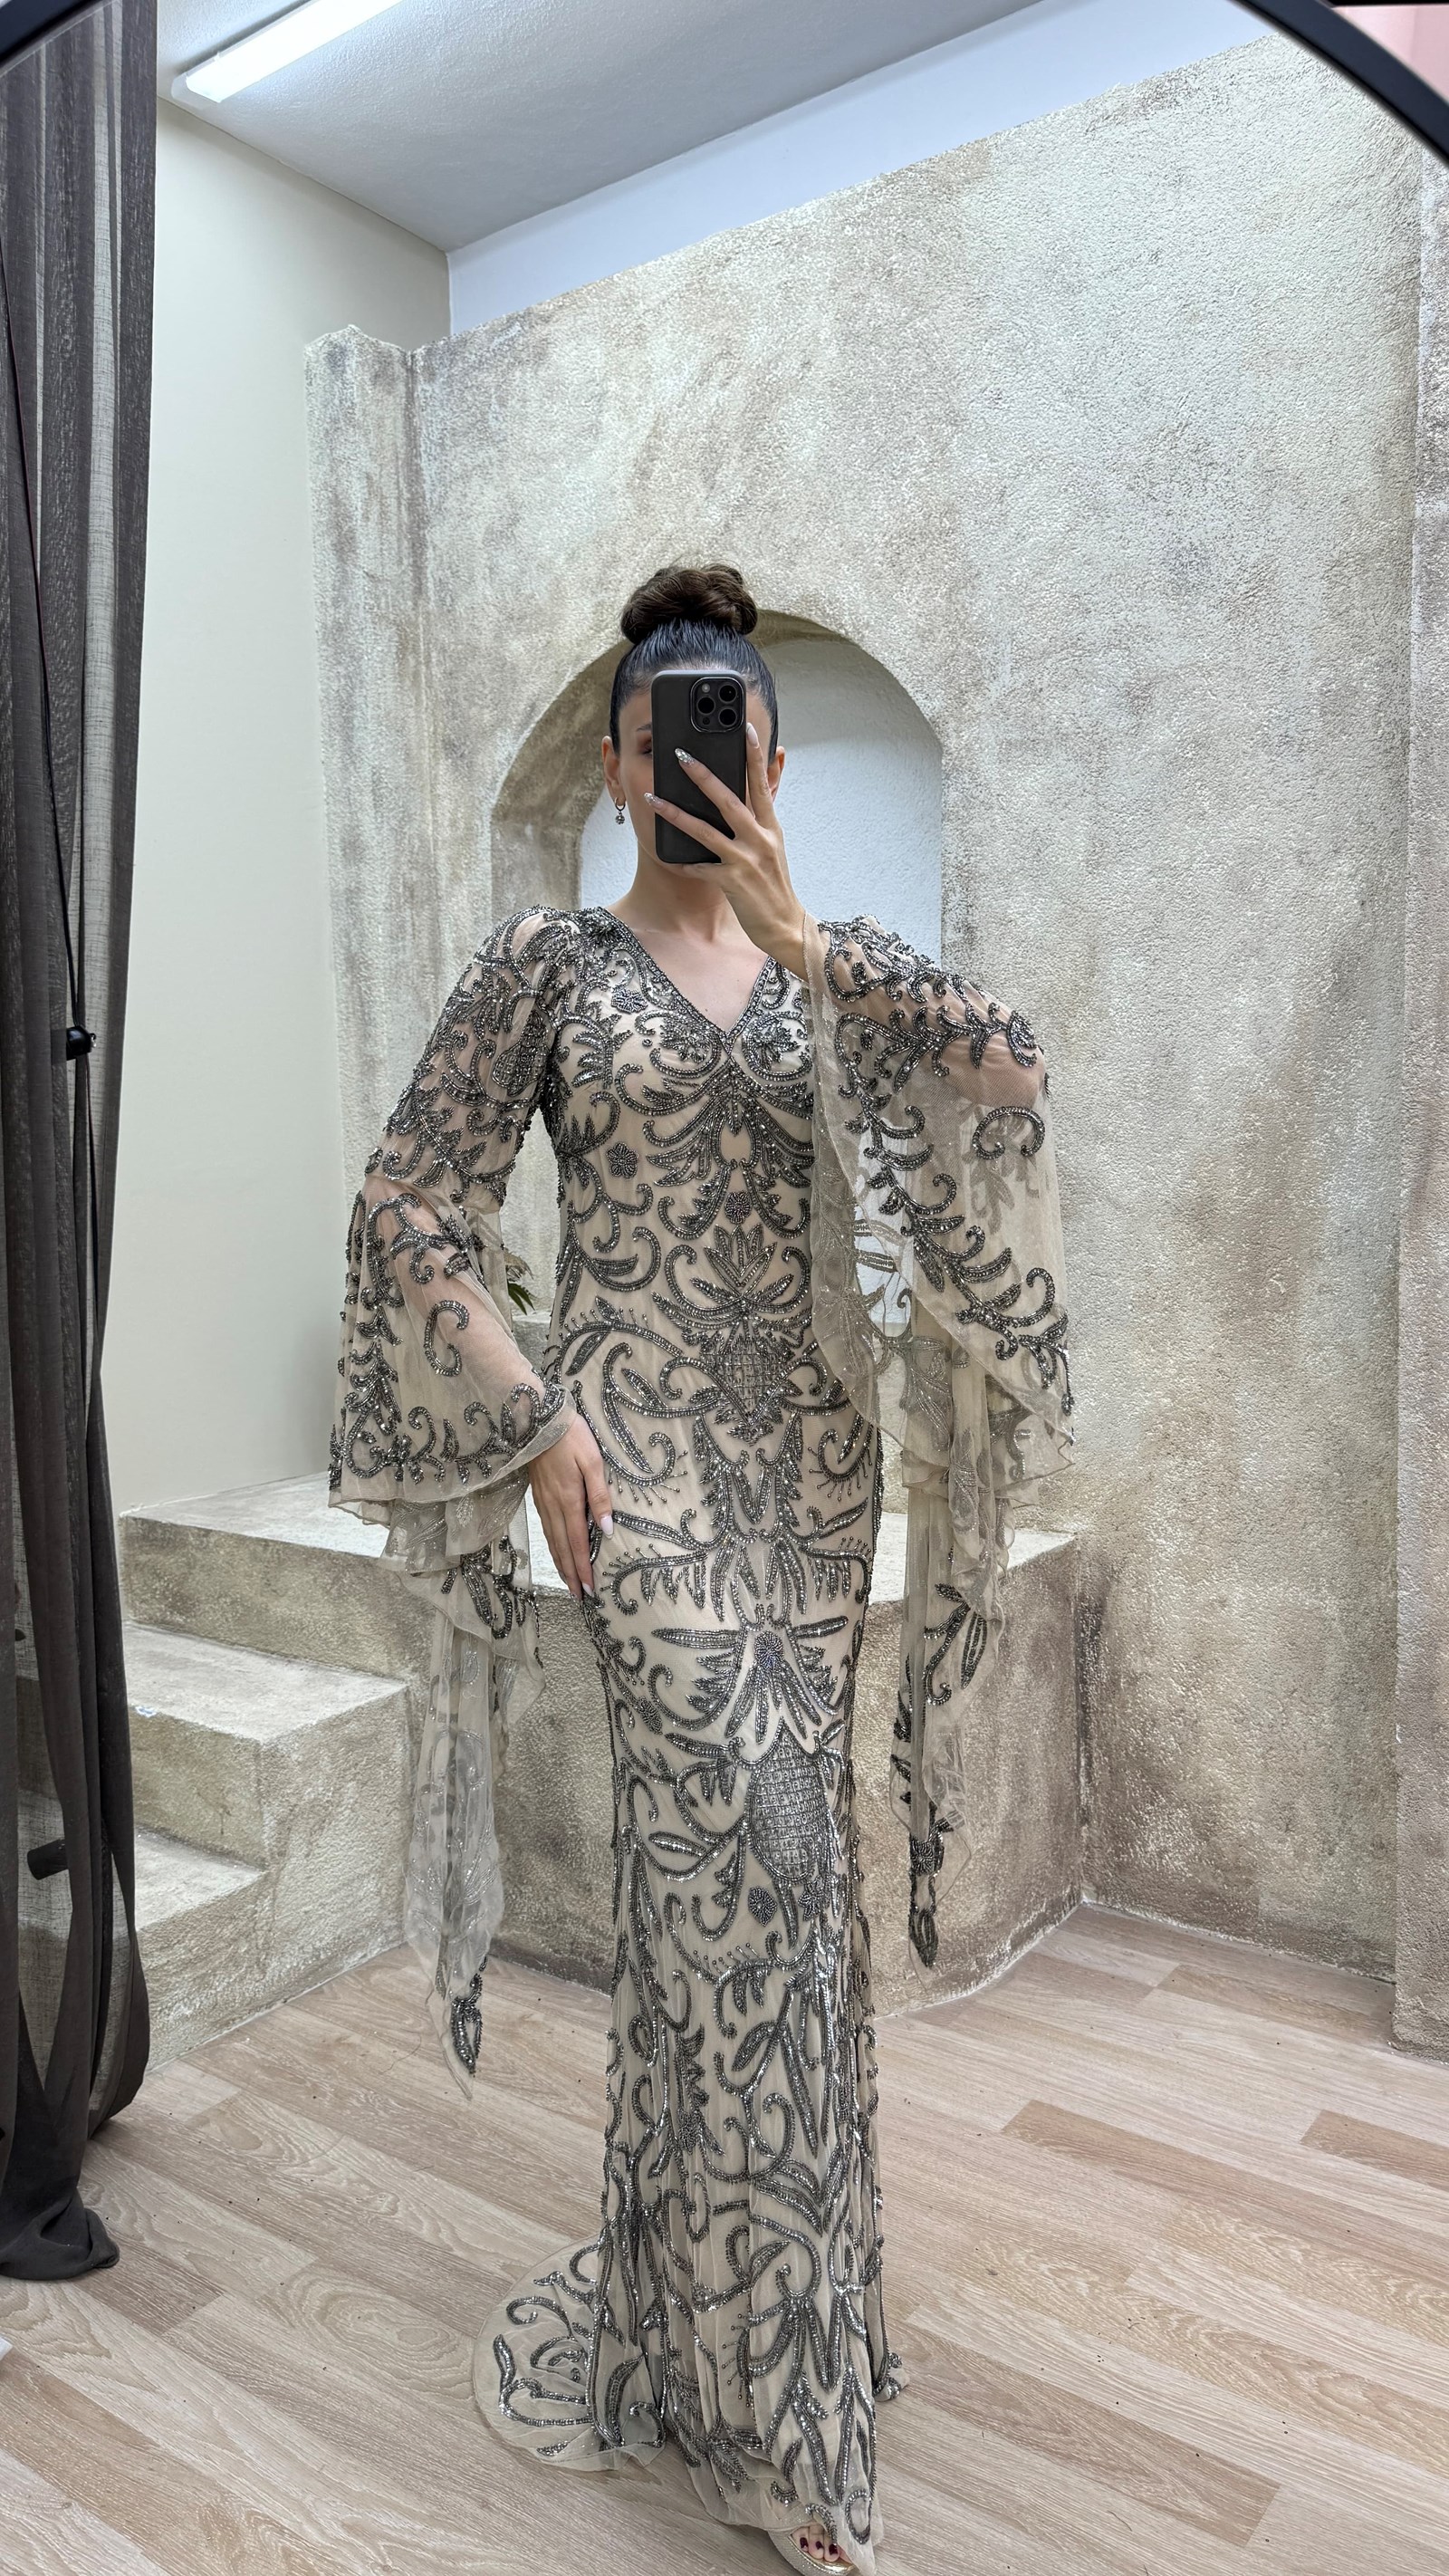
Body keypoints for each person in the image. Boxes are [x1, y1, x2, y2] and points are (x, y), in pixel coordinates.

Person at [331, 564, 1072, 2571]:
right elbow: (407, 1201)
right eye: (663, 734)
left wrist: (810, 943)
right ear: (614, 762)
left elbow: (1009, 1079)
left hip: (811, 1490)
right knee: (747, 1861)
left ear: (773, 761)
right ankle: (780, 2445)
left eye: (727, 734)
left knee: (765, 1913)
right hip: (638, 1490)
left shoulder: (834, 961)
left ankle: (733, 2339)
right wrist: (532, 1415)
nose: (694, 763)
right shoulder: (545, 965)